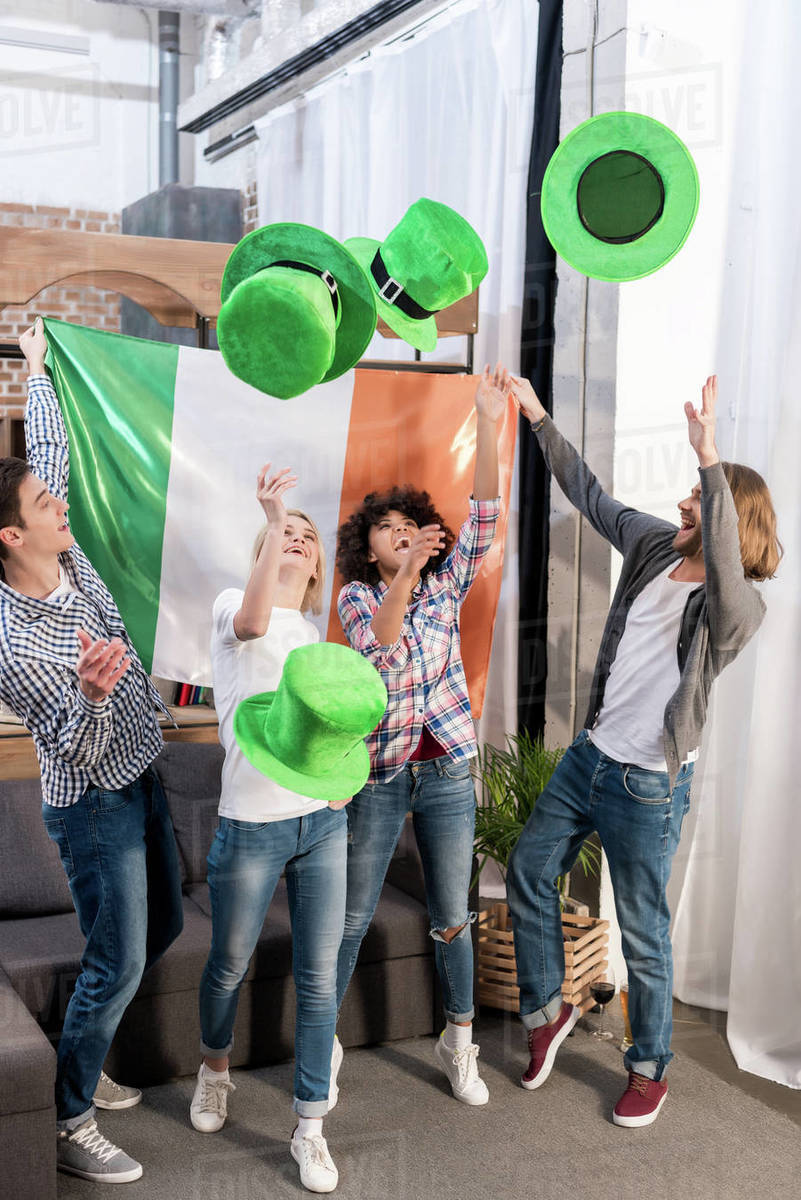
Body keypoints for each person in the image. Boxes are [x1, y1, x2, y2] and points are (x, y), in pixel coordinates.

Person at [506, 373, 782, 1127]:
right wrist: (536, 417)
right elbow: (590, 495)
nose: (683, 505)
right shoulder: (656, 547)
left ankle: (647, 1068)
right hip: (588, 758)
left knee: (644, 932)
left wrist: (709, 457)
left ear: (729, 516)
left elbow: (724, 562)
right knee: (528, 872)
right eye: (691, 496)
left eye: (698, 501)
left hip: (646, 787)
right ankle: (544, 1015)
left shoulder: (736, 610)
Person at [0, 319, 184, 1183]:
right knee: (115, 958)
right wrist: (94, 694)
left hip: (142, 771)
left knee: (163, 927)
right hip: (90, 803)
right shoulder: (13, 642)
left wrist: (38, 368)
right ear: (10, 536)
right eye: (45, 506)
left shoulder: (61, 553)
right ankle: (70, 1116)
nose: (61, 504)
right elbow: (69, 742)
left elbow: (50, 458)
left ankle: (85, 1055)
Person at [334, 364, 510, 1106]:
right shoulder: (354, 596)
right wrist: (404, 574)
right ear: (369, 547)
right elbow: (380, 648)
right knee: (349, 916)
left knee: (450, 915)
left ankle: (459, 1041)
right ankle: (325, 1039)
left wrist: (487, 419)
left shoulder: (445, 585)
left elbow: (487, 511)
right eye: (388, 530)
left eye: (412, 528)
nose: (403, 536)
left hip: (444, 772)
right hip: (379, 774)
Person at [191, 464, 347, 1195]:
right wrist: (275, 513)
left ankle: (310, 1127)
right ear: (263, 545)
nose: (297, 537)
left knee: (318, 982)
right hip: (250, 827)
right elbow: (255, 623)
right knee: (228, 964)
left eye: (307, 535)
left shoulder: (316, 634)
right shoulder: (233, 607)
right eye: (285, 532)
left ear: (316, 566)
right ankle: (214, 1068)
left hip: (321, 823)